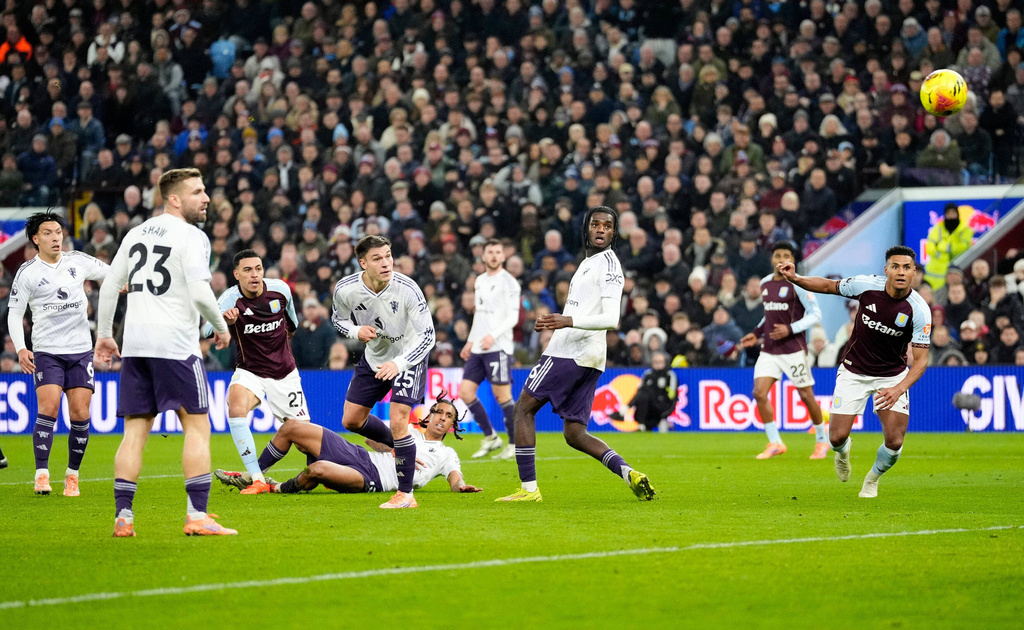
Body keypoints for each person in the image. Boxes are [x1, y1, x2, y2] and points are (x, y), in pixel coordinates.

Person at [95, 168, 236, 537]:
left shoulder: (135, 233)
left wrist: (106, 335)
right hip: (175, 345)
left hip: (137, 346)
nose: (206, 198)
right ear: (174, 198)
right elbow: (201, 294)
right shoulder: (192, 236)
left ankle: (123, 518)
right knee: (197, 425)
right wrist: (221, 328)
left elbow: (110, 285)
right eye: (198, 192)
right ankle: (197, 515)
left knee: (135, 432)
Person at [497, 207, 656, 502]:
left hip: (570, 350)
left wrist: (567, 321)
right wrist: (557, 320)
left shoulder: (609, 266)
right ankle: (627, 472)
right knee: (574, 434)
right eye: (595, 224)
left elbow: (612, 318)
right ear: (586, 228)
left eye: (607, 226)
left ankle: (528, 490)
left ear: (613, 233)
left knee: (523, 409)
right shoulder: (590, 262)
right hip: (591, 357)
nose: (600, 229)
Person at [778, 245, 931, 498]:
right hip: (854, 371)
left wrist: (898, 388)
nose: (901, 272)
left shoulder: (919, 311)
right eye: (895, 267)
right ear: (886, 270)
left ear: (914, 272)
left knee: (894, 442)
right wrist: (796, 278)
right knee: (836, 437)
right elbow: (828, 286)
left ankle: (872, 479)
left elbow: (921, 361)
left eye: (906, 267)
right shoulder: (867, 286)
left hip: (892, 376)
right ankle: (842, 452)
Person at [7, 212, 110, 496]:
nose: (56, 238)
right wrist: (21, 347)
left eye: (58, 232)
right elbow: (15, 313)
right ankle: (42, 474)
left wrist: (124, 285)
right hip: (48, 351)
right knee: (49, 408)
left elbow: (111, 276)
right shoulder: (28, 272)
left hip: (80, 351)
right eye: (48, 233)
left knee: (80, 413)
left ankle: (72, 475)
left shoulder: (77, 260)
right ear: (35, 239)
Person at [331, 235, 436, 509]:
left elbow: (428, 336)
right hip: (375, 357)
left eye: (388, 255)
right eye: (377, 258)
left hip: (408, 357)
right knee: (351, 420)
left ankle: (405, 494)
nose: (386, 262)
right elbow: (338, 320)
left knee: (399, 417)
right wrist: (355, 331)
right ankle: (401, 448)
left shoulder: (408, 289)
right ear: (363, 263)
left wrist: (399, 364)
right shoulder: (345, 289)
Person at [201, 249, 310, 495]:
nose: (254, 275)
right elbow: (207, 330)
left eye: (258, 269)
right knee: (236, 406)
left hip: (285, 374)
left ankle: (319, 472)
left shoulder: (280, 290)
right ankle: (259, 480)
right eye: (248, 270)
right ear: (236, 274)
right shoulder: (230, 298)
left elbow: (292, 324)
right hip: (250, 371)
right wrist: (224, 321)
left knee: (306, 442)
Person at [261, 392, 481, 495]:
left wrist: (460, 487)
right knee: (292, 427)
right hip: (361, 456)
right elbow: (369, 439)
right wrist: (395, 448)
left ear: (453, 424)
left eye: (448, 416)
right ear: (429, 416)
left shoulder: (446, 453)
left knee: (316, 469)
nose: (442, 417)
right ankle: (255, 476)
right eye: (438, 412)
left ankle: (278, 488)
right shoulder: (407, 431)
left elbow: (455, 478)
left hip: (374, 478)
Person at [739, 241, 829, 460]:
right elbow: (769, 315)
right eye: (777, 255)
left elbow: (815, 314)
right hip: (769, 349)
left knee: (806, 395)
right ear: (772, 259)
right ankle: (775, 442)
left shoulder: (798, 283)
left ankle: (821, 441)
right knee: (759, 393)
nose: (781, 260)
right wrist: (756, 332)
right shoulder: (766, 283)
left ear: (792, 260)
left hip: (793, 350)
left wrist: (790, 329)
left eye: (786, 256)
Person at [458, 238, 520, 460]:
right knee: (465, 392)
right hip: (479, 347)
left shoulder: (509, 282)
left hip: (498, 347)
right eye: (490, 252)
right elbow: (480, 314)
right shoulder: (480, 281)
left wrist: (492, 335)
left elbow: (513, 317)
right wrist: (471, 341)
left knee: (502, 395)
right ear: (483, 256)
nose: (494, 255)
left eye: (497, 252)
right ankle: (491, 437)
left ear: (503, 256)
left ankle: (514, 443)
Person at [618, 351, 677, 432]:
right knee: (643, 392)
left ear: (665, 363)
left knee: (645, 390)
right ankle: (641, 423)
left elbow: (673, 397)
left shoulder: (670, 375)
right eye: (655, 362)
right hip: (648, 407)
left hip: (661, 406)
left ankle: (626, 408)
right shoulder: (647, 374)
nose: (658, 364)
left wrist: (666, 413)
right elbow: (639, 392)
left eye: (660, 362)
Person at [923, 203, 973, 289]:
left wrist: (946, 247)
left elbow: (963, 247)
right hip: (934, 277)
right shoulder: (937, 229)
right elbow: (929, 247)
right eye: (948, 214)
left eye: (953, 213)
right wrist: (940, 255)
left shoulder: (965, 230)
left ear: (957, 214)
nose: (951, 216)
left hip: (955, 274)